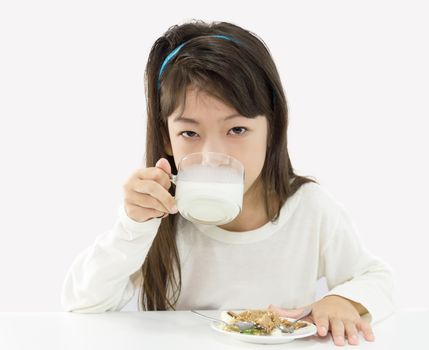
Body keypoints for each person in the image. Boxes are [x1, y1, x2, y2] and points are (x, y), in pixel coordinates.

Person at [61, 20, 394, 346]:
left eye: (237, 130)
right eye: (189, 133)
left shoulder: (307, 208)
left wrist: (343, 302)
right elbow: (83, 304)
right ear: (167, 138)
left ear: (272, 129)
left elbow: (377, 279)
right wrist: (133, 225)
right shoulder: (157, 220)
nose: (212, 155)